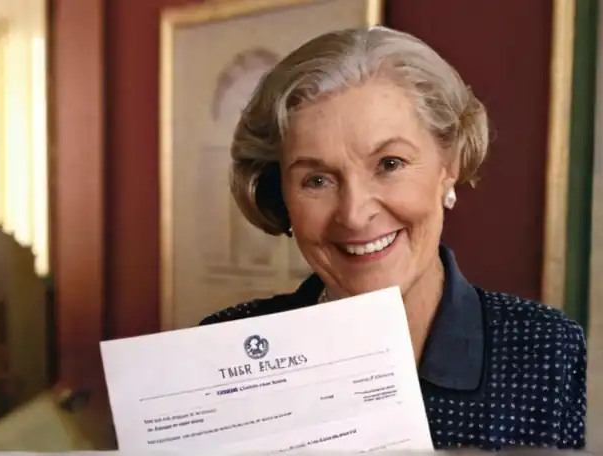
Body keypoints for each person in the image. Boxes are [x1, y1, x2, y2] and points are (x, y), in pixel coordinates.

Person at [199, 26, 587, 450]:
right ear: (281, 194)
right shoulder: (226, 345)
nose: (354, 213)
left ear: (449, 164)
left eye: (389, 163)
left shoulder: (545, 350)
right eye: (317, 179)